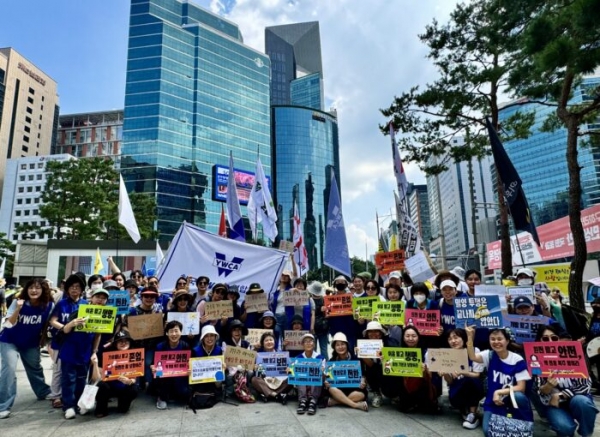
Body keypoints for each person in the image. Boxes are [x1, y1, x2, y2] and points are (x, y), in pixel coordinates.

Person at [0, 279, 54, 419]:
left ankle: (42, 391)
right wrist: (18, 308)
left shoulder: (48, 305)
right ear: (26, 290)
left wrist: (43, 341)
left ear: (43, 290)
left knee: (34, 367)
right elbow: (9, 323)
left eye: (37, 288)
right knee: (9, 369)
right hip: (9, 340)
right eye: (31, 288)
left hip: (30, 342)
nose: (34, 291)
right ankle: (4, 406)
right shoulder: (17, 301)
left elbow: (47, 324)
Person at [532, 324, 598, 437]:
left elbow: (585, 385)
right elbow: (540, 391)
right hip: (555, 405)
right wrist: (548, 386)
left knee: (582, 402)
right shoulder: (535, 360)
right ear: (540, 341)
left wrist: (561, 395)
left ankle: (586, 433)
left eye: (554, 338)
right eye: (545, 338)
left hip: (576, 399)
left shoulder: (575, 354)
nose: (550, 341)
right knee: (564, 429)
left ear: (559, 339)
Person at [465, 325, 532, 435]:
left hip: (512, 400)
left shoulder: (517, 359)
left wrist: (499, 392)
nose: (496, 342)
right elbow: (472, 357)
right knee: (488, 431)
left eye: (500, 339)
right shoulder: (489, 355)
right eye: (493, 339)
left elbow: (521, 387)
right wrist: (470, 337)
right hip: (493, 402)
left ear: (507, 341)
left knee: (518, 396)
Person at [59, 286, 109, 419]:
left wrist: (94, 351)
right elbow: (64, 331)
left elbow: (98, 335)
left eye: (103, 298)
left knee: (82, 379)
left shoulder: (104, 315)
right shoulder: (78, 311)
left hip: (85, 352)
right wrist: (72, 323)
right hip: (70, 350)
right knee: (68, 379)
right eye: (98, 297)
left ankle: (79, 403)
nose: (100, 300)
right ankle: (68, 406)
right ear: (91, 298)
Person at [47, 273, 87, 409]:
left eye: (77, 287)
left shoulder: (86, 305)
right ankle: (61, 398)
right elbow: (52, 321)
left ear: (82, 290)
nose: (74, 289)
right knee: (62, 372)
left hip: (80, 345)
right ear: (67, 289)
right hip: (63, 342)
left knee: (80, 375)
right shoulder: (61, 304)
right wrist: (65, 328)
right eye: (71, 287)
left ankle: (77, 401)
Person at [440, 328, 484, 429]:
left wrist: (463, 373)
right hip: (457, 392)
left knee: (470, 380)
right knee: (463, 383)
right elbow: (450, 381)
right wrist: (445, 374)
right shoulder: (447, 355)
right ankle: (464, 408)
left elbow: (477, 375)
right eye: (450, 339)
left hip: (474, 388)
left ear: (463, 338)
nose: (453, 341)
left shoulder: (474, 350)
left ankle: (472, 414)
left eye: (456, 337)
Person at [94, 330, 138, 417]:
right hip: (108, 386)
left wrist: (129, 381)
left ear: (129, 343)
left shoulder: (134, 356)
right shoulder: (106, 355)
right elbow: (96, 378)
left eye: (126, 341)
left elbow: (134, 379)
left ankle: (123, 404)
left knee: (133, 389)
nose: (123, 343)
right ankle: (101, 409)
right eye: (120, 341)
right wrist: (95, 364)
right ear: (115, 343)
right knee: (102, 386)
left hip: (123, 387)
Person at [396, 325, 440, 414]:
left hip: (422, 386)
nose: (410, 339)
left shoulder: (426, 352)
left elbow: (430, 376)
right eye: (407, 336)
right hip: (405, 386)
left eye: (414, 336)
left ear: (418, 337)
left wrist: (425, 370)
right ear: (403, 338)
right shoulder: (398, 352)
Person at [323, 332, 368, 412]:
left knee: (361, 394)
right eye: (337, 345)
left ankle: (336, 402)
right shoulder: (331, 361)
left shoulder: (356, 359)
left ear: (347, 345)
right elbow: (327, 378)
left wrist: (363, 380)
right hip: (338, 389)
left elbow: (363, 375)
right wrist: (326, 382)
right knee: (332, 389)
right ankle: (355, 405)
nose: (340, 347)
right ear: (334, 347)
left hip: (353, 389)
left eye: (343, 344)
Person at [359, 321, 400, 408]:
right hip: (373, 372)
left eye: (376, 331)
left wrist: (385, 360)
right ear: (367, 334)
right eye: (370, 331)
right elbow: (365, 366)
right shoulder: (363, 346)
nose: (373, 334)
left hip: (389, 374)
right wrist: (362, 356)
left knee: (390, 387)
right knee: (370, 370)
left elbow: (397, 363)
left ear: (381, 333)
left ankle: (394, 394)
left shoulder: (390, 343)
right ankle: (376, 393)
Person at [153, 321, 191, 410]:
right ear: (167, 333)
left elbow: (189, 363)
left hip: (180, 375)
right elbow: (153, 363)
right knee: (161, 380)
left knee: (184, 392)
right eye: (171, 331)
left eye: (176, 331)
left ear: (181, 332)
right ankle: (161, 397)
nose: (174, 334)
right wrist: (153, 367)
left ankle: (174, 394)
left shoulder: (185, 346)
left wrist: (190, 370)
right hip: (164, 376)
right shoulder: (160, 347)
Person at [252, 332, 290, 404]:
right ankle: (277, 395)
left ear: (274, 342)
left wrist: (289, 369)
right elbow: (260, 374)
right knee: (254, 379)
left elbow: (290, 367)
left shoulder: (282, 354)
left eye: (271, 340)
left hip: (280, 381)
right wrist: (256, 368)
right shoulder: (259, 356)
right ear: (263, 343)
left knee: (292, 378)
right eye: (266, 340)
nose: (269, 342)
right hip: (266, 382)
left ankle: (269, 394)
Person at [293, 333, 325, 415]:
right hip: (302, 385)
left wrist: (323, 370)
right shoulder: (297, 358)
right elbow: (292, 373)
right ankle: (302, 400)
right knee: (299, 373)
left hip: (316, 386)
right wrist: (289, 370)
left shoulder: (320, 358)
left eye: (310, 341)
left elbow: (326, 374)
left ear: (314, 344)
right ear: (302, 345)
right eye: (306, 342)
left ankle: (313, 401)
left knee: (319, 374)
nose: (308, 343)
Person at [309, 281, 329, 357]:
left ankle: (315, 366)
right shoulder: (325, 300)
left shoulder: (309, 300)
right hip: (323, 327)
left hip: (313, 327)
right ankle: (326, 366)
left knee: (313, 349)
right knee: (323, 349)